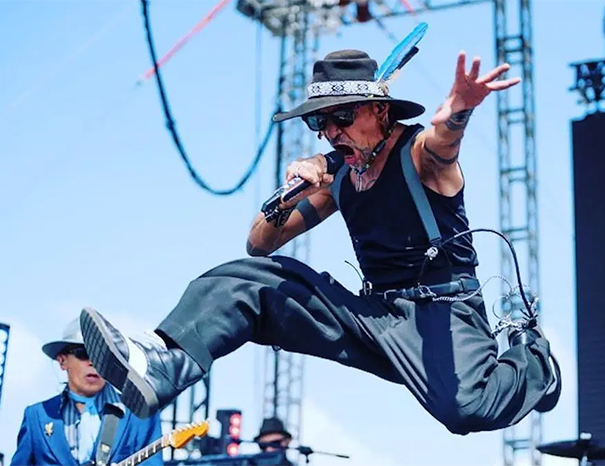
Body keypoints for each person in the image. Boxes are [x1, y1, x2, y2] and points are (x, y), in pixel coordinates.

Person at [79, 46, 561, 436]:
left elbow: (443, 145)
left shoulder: (419, 154)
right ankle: (166, 362)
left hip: (442, 311)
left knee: (466, 411)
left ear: (379, 110)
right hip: (375, 317)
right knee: (252, 283)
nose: (332, 132)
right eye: (320, 123)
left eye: (343, 117)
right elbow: (259, 244)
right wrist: (288, 195)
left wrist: (457, 114)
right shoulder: (338, 178)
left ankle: (536, 361)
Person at [9, 318, 163, 466]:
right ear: (62, 361)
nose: (93, 362)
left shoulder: (141, 414)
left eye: (101, 354)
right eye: (83, 353)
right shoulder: (36, 416)